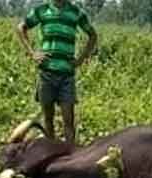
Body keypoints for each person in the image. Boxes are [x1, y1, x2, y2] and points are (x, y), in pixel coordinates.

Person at [18, 0, 97, 146]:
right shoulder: (42, 11)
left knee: (68, 119)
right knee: (48, 118)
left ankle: (71, 155)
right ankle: (51, 153)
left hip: (66, 74)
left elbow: (92, 35)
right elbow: (21, 27)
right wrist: (32, 53)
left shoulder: (75, 13)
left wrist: (81, 59)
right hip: (46, 73)